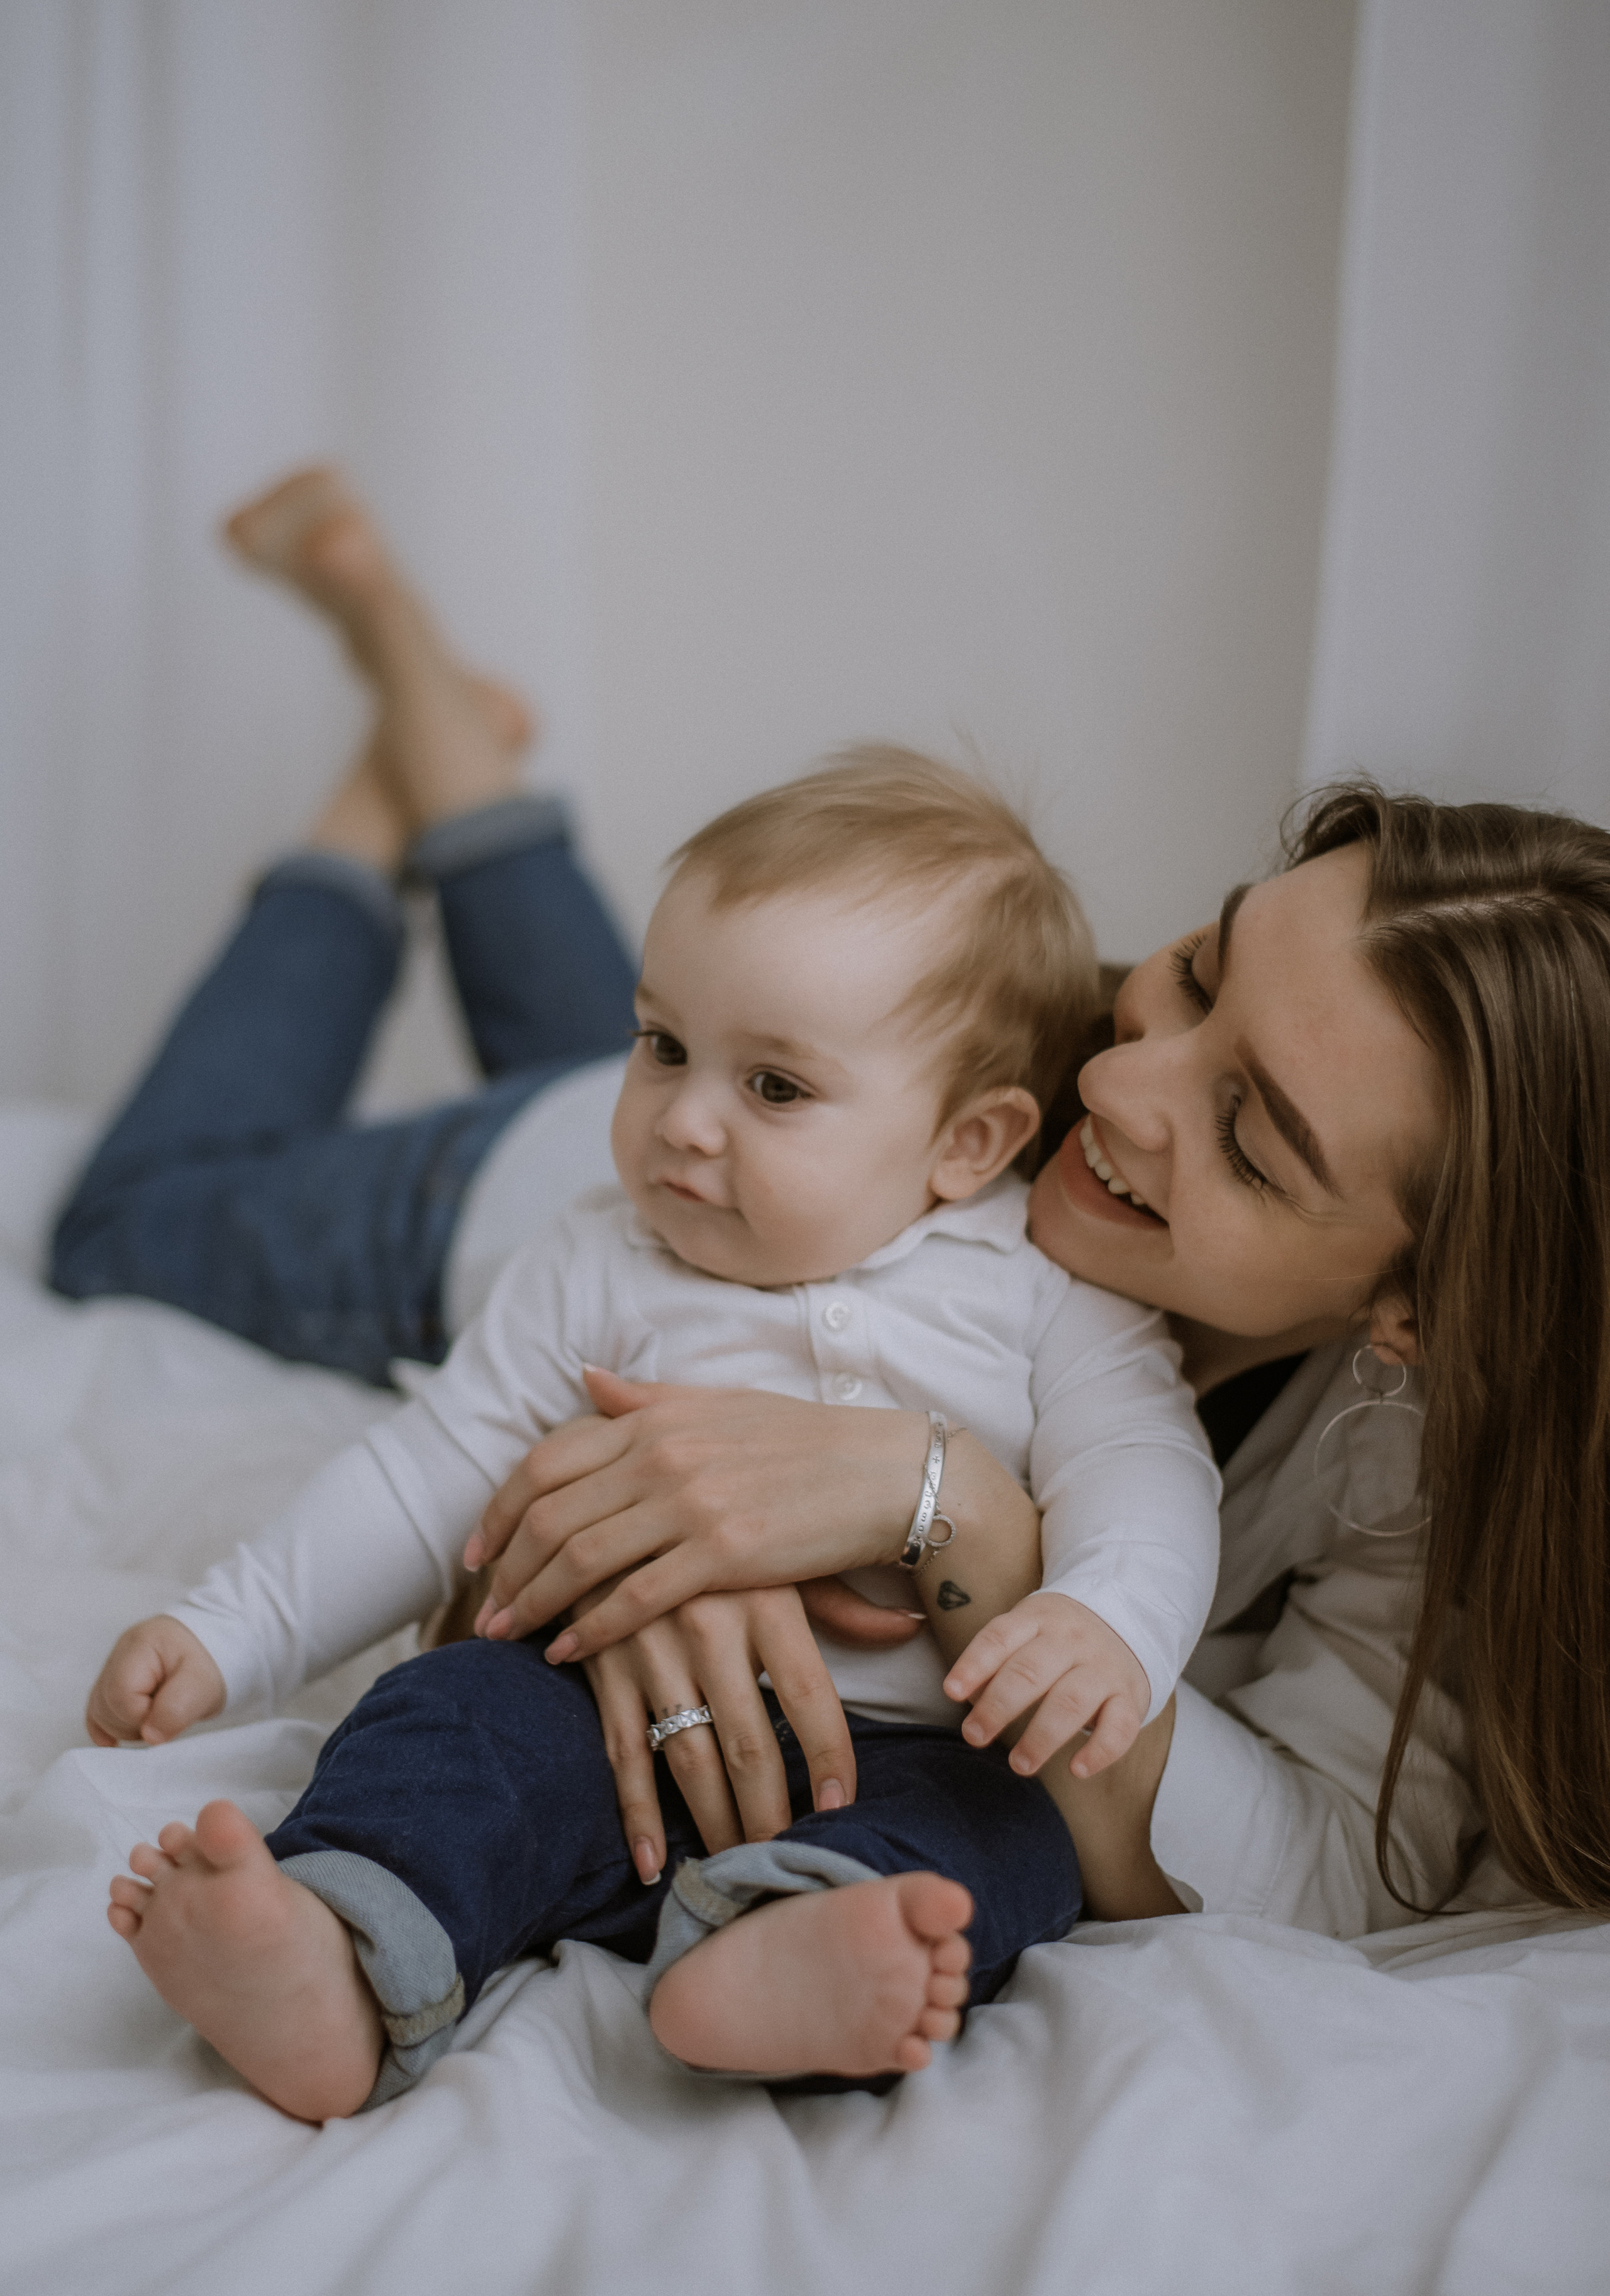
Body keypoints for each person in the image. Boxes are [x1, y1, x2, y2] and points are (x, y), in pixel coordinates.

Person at [58, 469, 1610, 1985]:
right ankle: (373, 779)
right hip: (540, 1189)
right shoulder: (731, 1135)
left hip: (737, 1083)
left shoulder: (1413, 1459)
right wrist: (639, 1549)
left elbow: (1324, 1876)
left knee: (654, 1034)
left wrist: (953, 1515)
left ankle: (451, 738)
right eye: (1199, 971)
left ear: (1414, 1310)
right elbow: (460, 1489)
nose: (1119, 1080)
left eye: (1248, 1142)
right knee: (123, 1225)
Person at [91, 738, 1224, 2119]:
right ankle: (336, 1954)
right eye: (662, 1045)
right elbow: (424, 1469)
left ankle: (780, 1960)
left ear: (967, 1146)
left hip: (911, 1748)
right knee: (450, 1719)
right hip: (589, 1710)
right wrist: (226, 1631)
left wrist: (1109, 1616)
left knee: (1005, 1837)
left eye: (773, 1088)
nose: (680, 1123)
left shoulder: (1043, 1301)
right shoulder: (599, 1260)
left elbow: (1143, 1474)